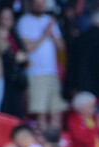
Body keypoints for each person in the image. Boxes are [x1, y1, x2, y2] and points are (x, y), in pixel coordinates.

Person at [17, 0, 66, 130]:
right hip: (35, 73)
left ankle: (55, 145)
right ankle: (44, 146)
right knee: (40, 113)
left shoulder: (50, 20)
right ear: (31, 4)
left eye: (42, 3)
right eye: (37, 3)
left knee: (57, 111)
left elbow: (61, 47)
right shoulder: (24, 21)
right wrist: (45, 34)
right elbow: (28, 47)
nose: (40, 5)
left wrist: (52, 33)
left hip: (52, 73)